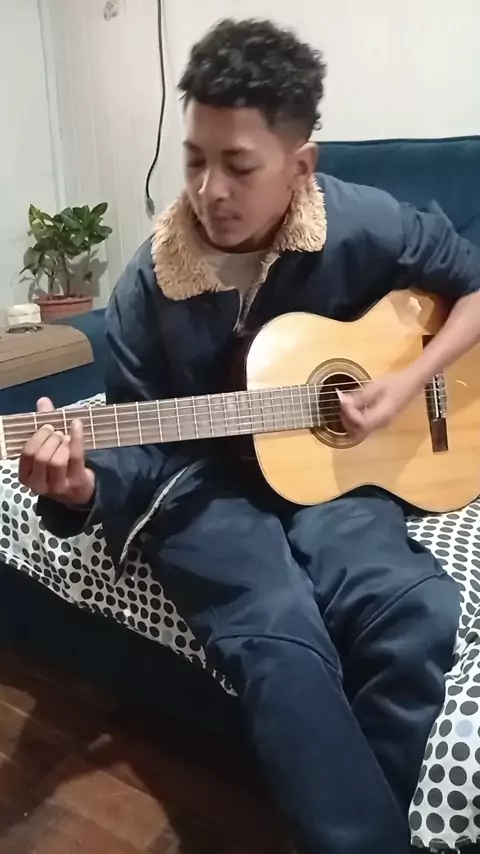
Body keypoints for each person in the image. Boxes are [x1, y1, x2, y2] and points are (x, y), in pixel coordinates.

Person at [18, 18, 480, 854]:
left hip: (335, 470)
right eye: (195, 160)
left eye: (238, 166)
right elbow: (137, 444)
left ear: (301, 167)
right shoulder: (147, 286)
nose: (209, 190)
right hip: (203, 487)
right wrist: (81, 486)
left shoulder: (359, 222)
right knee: (280, 639)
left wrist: (410, 380)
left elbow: (472, 286)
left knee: (412, 609)